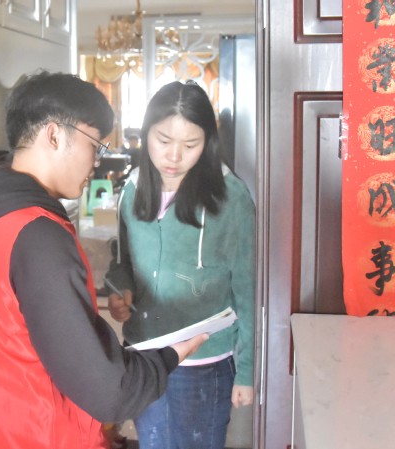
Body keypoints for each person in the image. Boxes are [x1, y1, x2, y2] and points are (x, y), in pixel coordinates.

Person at [0, 71, 207, 449]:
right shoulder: (38, 236)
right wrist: (168, 357)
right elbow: (110, 392)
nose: (97, 162)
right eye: (95, 145)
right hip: (44, 437)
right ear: (54, 135)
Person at [105, 80, 256, 449]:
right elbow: (122, 261)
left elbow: (248, 288)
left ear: (208, 143)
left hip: (204, 361)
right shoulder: (133, 188)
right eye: (163, 141)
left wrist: (247, 371)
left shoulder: (230, 197)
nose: (174, 156)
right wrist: (121, 291)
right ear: (146, 134)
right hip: (144, 354)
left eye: (190, 145)